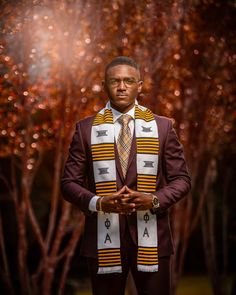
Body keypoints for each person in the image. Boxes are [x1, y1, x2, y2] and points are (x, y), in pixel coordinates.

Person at [61, 56, 191, 295]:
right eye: (115, 81)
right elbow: (69, 183)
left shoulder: (163, 127)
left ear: (139, 86)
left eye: (128, 81)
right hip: (103, 239)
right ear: (105, 84)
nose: (122, 87)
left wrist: (153, 200)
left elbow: (182, 180)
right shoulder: (86, 129)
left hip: (153, 238)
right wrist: (99, 202)